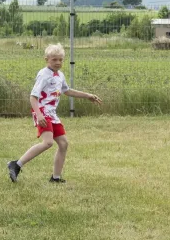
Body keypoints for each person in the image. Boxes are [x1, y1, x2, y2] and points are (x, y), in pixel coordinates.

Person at [7, 43, 102, 183]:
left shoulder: (60, 75)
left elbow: (67, 91)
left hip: (52, 114)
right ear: (47, 59)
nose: (58, 62)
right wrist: (39, 115)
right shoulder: (43, 75)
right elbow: (33, 97)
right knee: (48, 143)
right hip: (42, 112)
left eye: (60, 60)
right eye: (54, 60)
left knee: (63, 144)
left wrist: (87, 95)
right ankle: (16, 164)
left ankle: (55, 178)